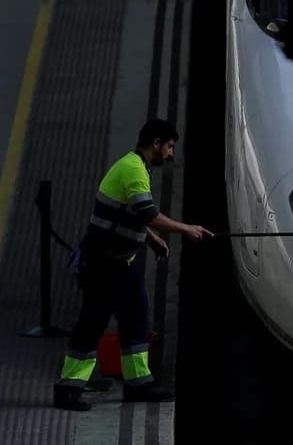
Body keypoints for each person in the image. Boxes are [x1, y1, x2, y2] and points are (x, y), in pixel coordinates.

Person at [53, 118, 213, 411]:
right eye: (169, 147)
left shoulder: (135, 166)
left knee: (136, 320)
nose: (171, 154)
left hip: (123, 262)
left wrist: (150, 239)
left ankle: (138, 384)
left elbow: (133, 215)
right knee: (92, 323)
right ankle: (67, 389)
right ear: (156, 144)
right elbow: (149, 214)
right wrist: (187, 229)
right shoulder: (133, 170)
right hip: (103, 264)